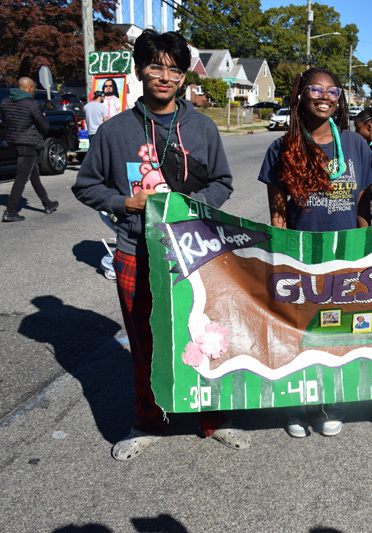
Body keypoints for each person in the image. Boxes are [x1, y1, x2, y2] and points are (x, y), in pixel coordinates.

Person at [72, 29, 245, 460]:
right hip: (137, 251)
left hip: (194, 251)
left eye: (174, 69)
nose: (165, 76)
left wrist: (193, 207)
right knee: (145, 341)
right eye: (155, 66)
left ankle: (213, 419)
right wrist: (124, 202)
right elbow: (86, 185)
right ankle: (150, 421)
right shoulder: (114, 131)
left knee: (203, 336)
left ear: (183, 77)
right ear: (139, 70)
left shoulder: (202, 127)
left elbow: (223, 182)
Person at [258, 67, 372, 438]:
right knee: (298, 335)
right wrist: (281, 263)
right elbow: (278, 216)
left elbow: (360, 208)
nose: (325, 97)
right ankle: (296, 404)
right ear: (300, 94)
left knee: (336, 336)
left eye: (332, 91)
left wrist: (365, 255)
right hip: (300, 261)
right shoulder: (280, 148)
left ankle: (331, 404)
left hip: (344, 261)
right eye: (315, 89)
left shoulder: (355, 145)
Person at [1, 77, 59, 223]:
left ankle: (47, 203)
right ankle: (10, 211)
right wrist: (43, 117)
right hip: (29, 143)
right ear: (29, 88)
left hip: (13, 142)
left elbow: (7, 121)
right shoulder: (32, 104)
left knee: (33, 174)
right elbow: (44, 127)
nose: (34, 91)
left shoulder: (5, 102)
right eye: (33, 88)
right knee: (22, 177)